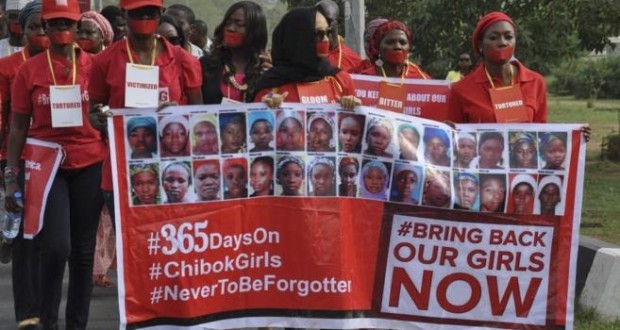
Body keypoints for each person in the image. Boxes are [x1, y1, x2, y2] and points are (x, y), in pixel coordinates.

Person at [5, 0, 106, 328]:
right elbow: (19, 125)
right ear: (44, 28)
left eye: (68, 23)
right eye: (54, 23)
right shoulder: (28, 70)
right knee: (56, 247)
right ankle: (47, 319)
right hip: (48, 167)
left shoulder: (95, 65)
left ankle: (76, 323)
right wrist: (11, 176)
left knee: (82, 252)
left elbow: (111, 112)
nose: (62, 30)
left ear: (78, 26)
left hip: (90, 163)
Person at [88, 0, 203, 227]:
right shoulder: (104, 61)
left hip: (172, 172)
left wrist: (176, 115)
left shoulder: (183, 61)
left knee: (170, 248)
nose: (144, 18)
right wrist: (100, 120)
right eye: (137, 12)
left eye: (150, 12)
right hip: (120, 172)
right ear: (124, 14)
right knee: (132, 250)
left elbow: (198, 116)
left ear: (161, 13)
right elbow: (92, 113)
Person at [0, 1, 46, 327]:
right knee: (24, 241)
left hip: (60, 163)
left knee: (54, 243)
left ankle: (47, 305)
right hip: (19, 160)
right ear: (25, 30)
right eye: (35, 27)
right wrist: (7, 167)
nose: (41, 33)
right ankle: (27, 314)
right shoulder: (8, 67)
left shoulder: (71, 64)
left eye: (48, 26)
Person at [253, 6, 359, 110]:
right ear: (297, 37)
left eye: (328, 32)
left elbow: (356, 122)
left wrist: (353, 106)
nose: (326, 39)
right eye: (319, 34)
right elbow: (257, 123)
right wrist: (264, 107)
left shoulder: (341, 79)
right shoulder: (271, 85)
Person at [448, 11, 547, 123]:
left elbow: (542, 134)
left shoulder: (535, 82)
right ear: (480, 45)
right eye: (493, 37)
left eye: (508, 37)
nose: (503, 42)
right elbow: (455, 136)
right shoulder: (460, 90)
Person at [200, 1, 269, 104]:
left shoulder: (265, 70)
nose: (230, 28)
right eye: (227, 23)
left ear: (255, 31)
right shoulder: (206, 65)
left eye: (239, 24)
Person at [357, 19, 430, 79]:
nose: (397, 46)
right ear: (377, 47)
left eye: (402, 42)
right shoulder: (363, 78)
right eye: (390, 42)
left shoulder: (421, 79)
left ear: (409, 47)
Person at [315, 0, 363, 72]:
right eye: (316, 20)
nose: (322, 24)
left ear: (339, 22)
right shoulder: (304, 56)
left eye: (327, 20)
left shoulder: (354, 61)